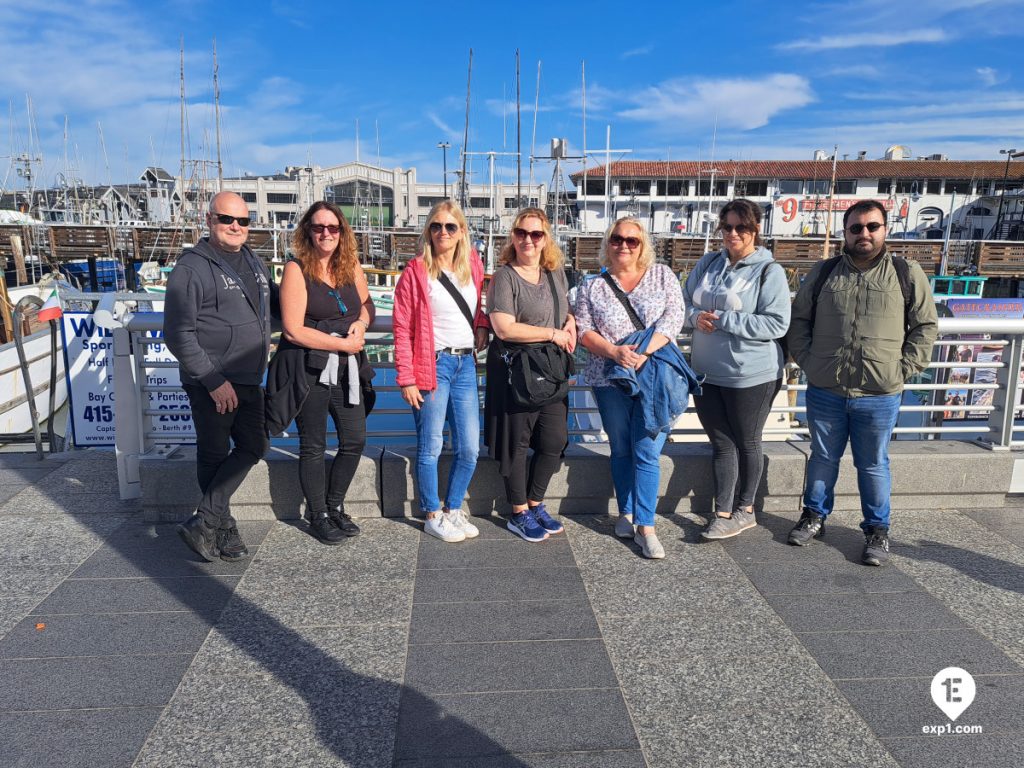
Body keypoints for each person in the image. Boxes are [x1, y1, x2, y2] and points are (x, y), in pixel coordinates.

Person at [787, 199, 938, 565]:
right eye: (856, 228)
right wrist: (809, 361)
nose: (864, 234)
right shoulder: (824, 273)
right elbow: (799, 321)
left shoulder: (906, 273)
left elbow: (925, 326)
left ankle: (877, 531)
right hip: (827, 389)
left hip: (879, 392)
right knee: (823, 458)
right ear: (846, 232)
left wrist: (902, 369)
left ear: (885, 229)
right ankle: (814, 516)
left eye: (872, 226)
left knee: (873, 464)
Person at [166, 192, 272, 562]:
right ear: (209, 220)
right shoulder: (191, 268)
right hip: (213, 380)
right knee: (213, 454)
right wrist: (212, 380)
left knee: (254, 446)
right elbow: (177, 333)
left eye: (243, 221)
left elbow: (273, 306)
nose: (236, 227)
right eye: (227, 219)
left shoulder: (253, 262)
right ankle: (221, 528)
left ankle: (206, 522)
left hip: (248, 376)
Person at [574, 217, 686, 559]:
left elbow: (675, 316)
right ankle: (625, 511)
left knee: (648, 450)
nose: (624, 245)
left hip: (653, 378)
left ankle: (646, 526)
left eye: (632, 241)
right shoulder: (592, 285)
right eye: (617, 239)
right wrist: (614, 352)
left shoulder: (662, 275)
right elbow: (582, 329)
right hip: (608, 378)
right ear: (607, 244)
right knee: (621, 448)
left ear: (643, 245)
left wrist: (642, 352)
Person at [266, 202, 375, 545]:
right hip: (310, 368)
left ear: (342, 232)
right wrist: (340, 345)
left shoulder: (350, 266)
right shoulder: (297, 269)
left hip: (347, 371)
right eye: (318, 227)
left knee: (354, 439)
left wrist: (360, 324)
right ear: (307, 232)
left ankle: (335, 505)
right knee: (313, 445)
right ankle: (317, 514)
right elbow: (293, 330)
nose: (326, 233)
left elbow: (368, 305)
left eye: (333, 227)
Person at [683, 199, 790, 540]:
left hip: (751, 376)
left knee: (747, 441)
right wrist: (693, 317)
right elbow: (683, 303)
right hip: (706, 373)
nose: (733, 233)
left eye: (741, 227)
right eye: (726, 226)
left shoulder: (768, 271)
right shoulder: (708, 263)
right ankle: (723, 512)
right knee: (721, 443)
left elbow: (777, 323)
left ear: (755, 230)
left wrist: (726, 320)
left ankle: (746, 509)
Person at [393, 200, 488, 543]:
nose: (442, 233)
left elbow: (478, 308)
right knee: (431, 445)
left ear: (462, 231)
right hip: (432, 364)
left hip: (465, 364)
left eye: (450, 227)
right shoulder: (416, 272)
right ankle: (432, 513)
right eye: (436, 226)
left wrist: (481, 325)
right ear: (428, 231)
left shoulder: (473, 266)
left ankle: (452, 508)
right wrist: (406, 377)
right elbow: (401, 328)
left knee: (469, 447)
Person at [485, 207, 575, 543]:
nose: (528, 240)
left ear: (545, 239)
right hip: (517, 371)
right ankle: (519, 510)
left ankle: (536, 502)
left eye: (536, 234)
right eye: (522, 233)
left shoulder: (555, 274)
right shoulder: (505, 277)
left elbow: (564, 310)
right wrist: (553, 334)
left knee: (553, 440)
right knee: (517, 443)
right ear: (513, 236)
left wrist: (570, 323)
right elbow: (503, 328)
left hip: (549, 370)